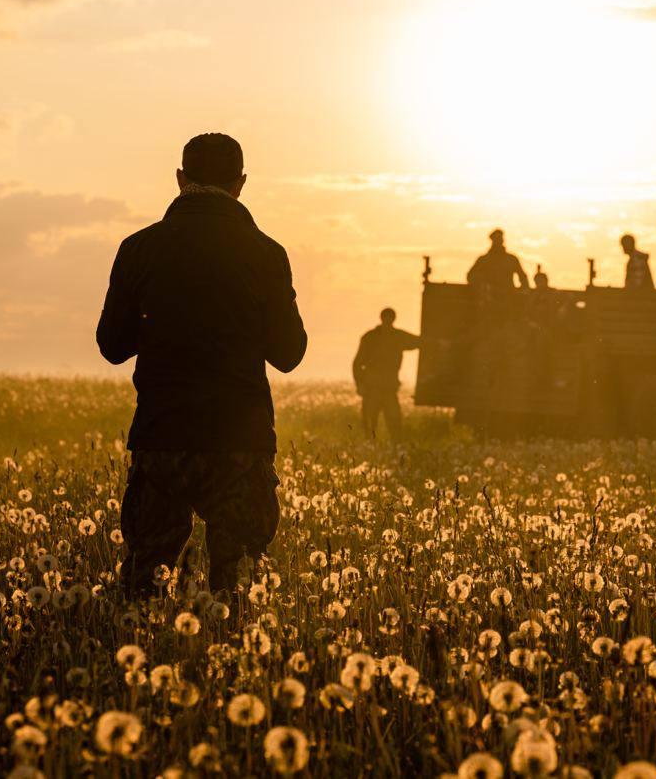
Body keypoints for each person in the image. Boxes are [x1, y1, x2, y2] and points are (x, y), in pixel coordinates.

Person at [96, 133, 306, 602]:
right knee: (239, 594)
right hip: (240, 443)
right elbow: (290, 353)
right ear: (241, 184)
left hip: (162, 437)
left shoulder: (139, 249)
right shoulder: (266, 254)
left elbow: (111, 345)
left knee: (144, 592)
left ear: (179, 179)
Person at [352, 308, 419, 439]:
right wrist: (360, 384)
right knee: (371, 426)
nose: (388, 320)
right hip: (373, 389)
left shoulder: (396, 336)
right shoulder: (371, 337)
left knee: (394, 425)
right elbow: (357, 364)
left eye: (390, 318)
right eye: (387, 317)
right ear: (383, 318)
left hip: (387, 388)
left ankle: (391, 451)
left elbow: (418, 342)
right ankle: (373, 451)